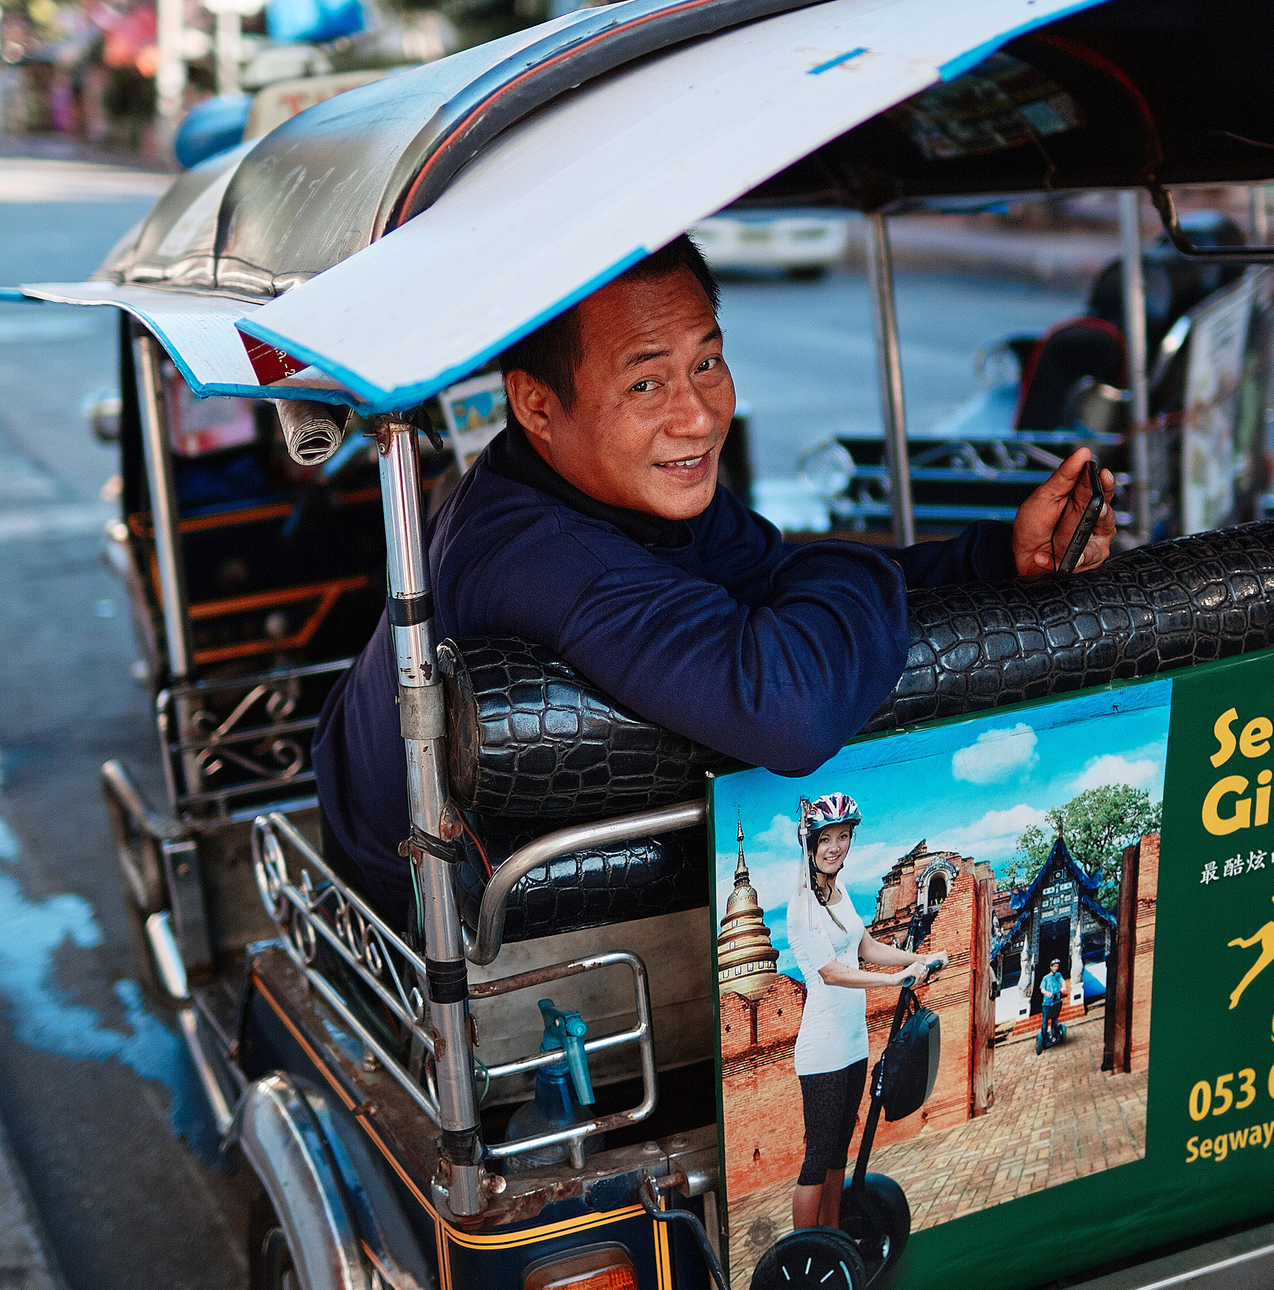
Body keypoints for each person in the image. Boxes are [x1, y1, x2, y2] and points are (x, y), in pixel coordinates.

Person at [313, 235, 1116, 916]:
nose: (698, 415)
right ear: (536, 404)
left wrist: (994, 560)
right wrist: (842, 565)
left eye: (708, 363)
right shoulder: (544, 554)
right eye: (645, 382)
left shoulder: (623, 480)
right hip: (415, 910)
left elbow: (778, 579)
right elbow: (790, 706)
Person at [786, 794, 941, 1231]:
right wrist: (892, 980)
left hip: (853, 1042)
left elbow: (865, 947)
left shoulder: (839, 892)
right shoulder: (803, 905)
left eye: (843, 837)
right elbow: (831, 972)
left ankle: (833, 1238)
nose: (835, 847)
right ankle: (806, 1254)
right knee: (818, 1157)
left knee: (840, 1152)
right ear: (811, 845)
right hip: (822, 1049)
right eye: (827, 839)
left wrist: (918, 958)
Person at [1037, 959, 1067, 1052]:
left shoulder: (1059, 975)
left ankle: (1055, 1035)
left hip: (1056, 1001)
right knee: (1045, 1021)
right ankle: (1045, 1038)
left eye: (1057, 966)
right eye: (1054, 966)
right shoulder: (1045, 978)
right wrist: (1047, 993)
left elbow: (1063, 982)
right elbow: (1042, 989)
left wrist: (1063, 987)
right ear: (1051, 967)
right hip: (1047, 1003)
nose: (1056, 968)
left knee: (1055, 1019)